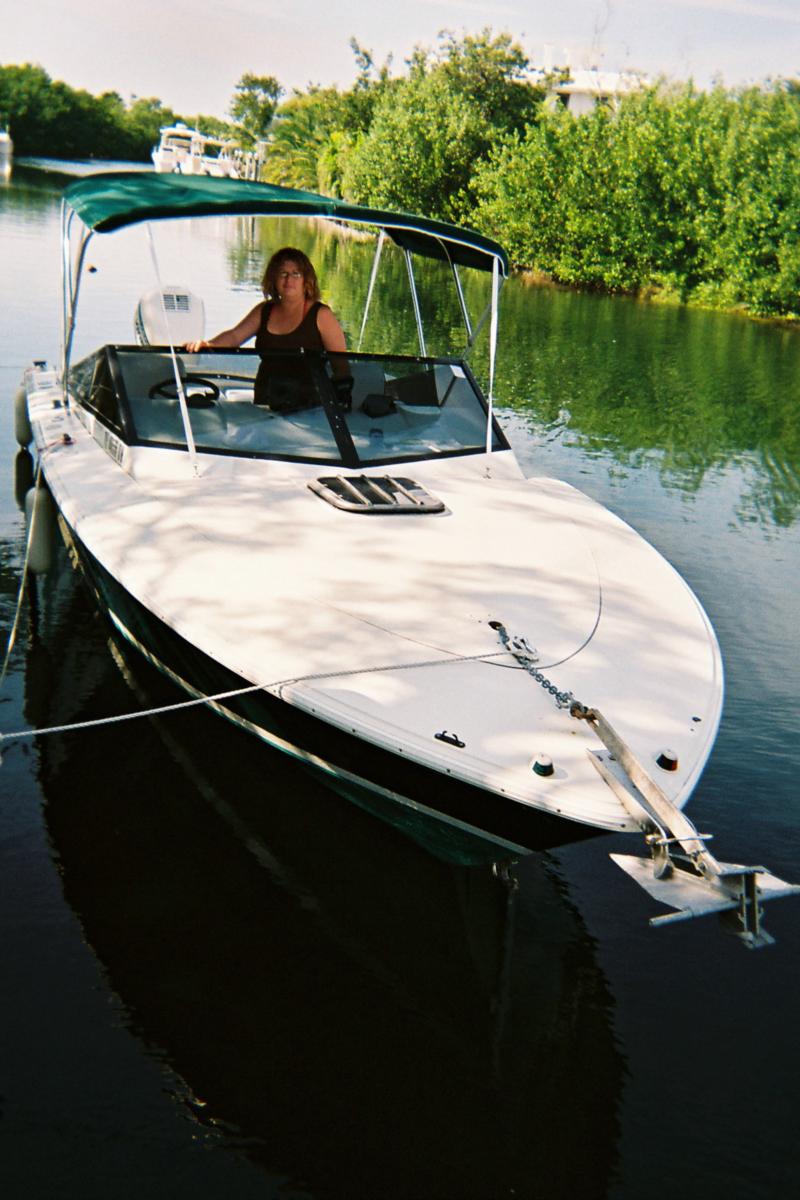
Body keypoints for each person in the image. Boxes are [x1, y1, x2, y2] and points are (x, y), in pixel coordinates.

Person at [185, 247, 349, 410]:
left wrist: (337, 405)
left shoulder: (321, 314)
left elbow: (341, 367)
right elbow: (235, 336)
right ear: (274, 279)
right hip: (265, 403)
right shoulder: (264, 311)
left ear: (306, 280)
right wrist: (209, 345)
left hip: (308, 408)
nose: (288, 279)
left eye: (296, 273)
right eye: (283, 273)